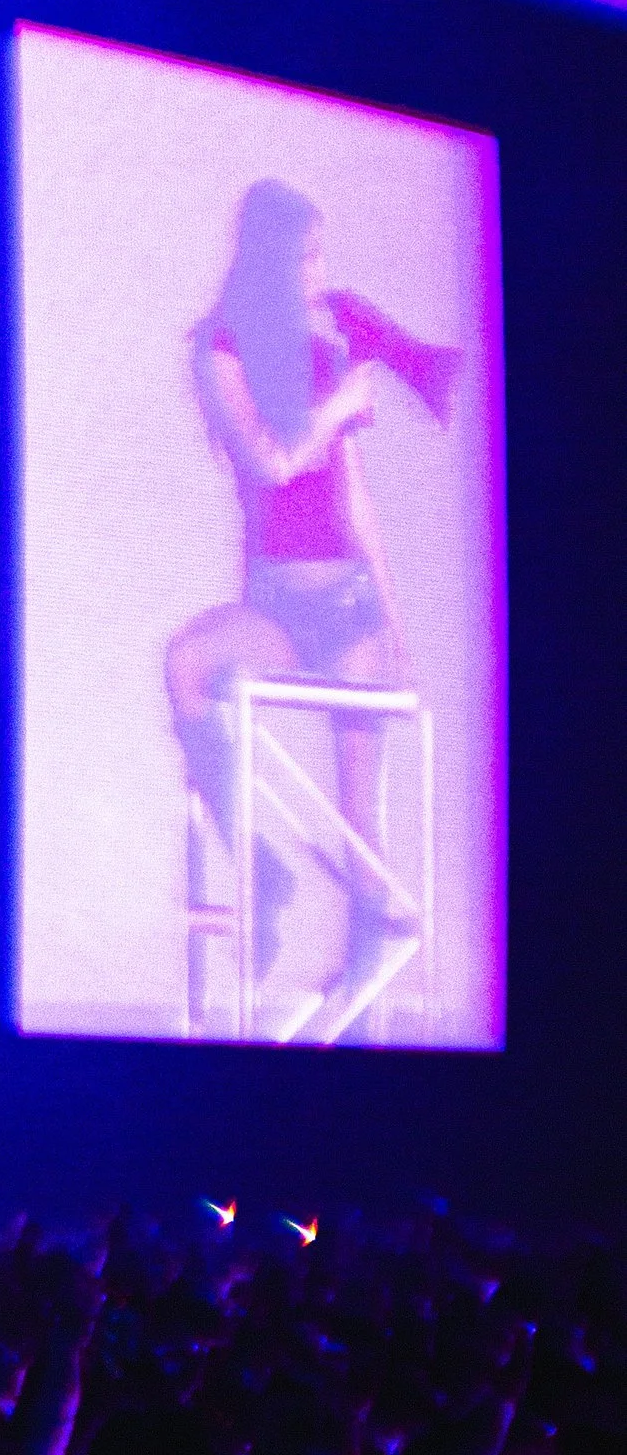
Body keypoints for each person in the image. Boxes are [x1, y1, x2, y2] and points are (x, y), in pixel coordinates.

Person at [166, 179, 459, 1034]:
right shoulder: (220, 350)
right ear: (267, 260)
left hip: (348, 604)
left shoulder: (325, 357)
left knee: (363, 829)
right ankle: (262, 868)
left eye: (320, 256)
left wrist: (398, 626)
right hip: (275, 606)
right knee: (187, 666)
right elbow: (268, 461)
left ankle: (363, 1004)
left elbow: (354, 502)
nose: (318, 274)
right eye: (305, 257)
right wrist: (335, 409)